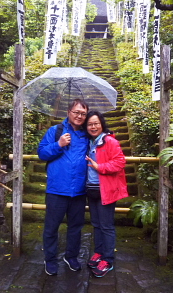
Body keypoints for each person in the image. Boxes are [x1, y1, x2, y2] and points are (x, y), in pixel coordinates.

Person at [37, 99, 89, 276]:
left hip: (79, 191)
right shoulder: (55, 131)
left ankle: (71, 256)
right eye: (76, 112)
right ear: (68, 112)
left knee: (76, 227)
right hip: (56, 190)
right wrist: (58, 144)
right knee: (51, 228)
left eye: (83, 113)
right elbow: (42, 153)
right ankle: (50, 260)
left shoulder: (87, 134)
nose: (79, 116)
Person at [85, 111, 128, 278]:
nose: (93, 127)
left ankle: (108, 259)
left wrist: (99, 167)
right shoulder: (89, 142)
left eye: (96, 123)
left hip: (106, 190)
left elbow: (120, 162)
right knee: (96, 224)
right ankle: (99, 252)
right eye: (90, 124)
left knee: (107, 226)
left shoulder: (109, 141)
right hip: (91, 189)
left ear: (102, 124)